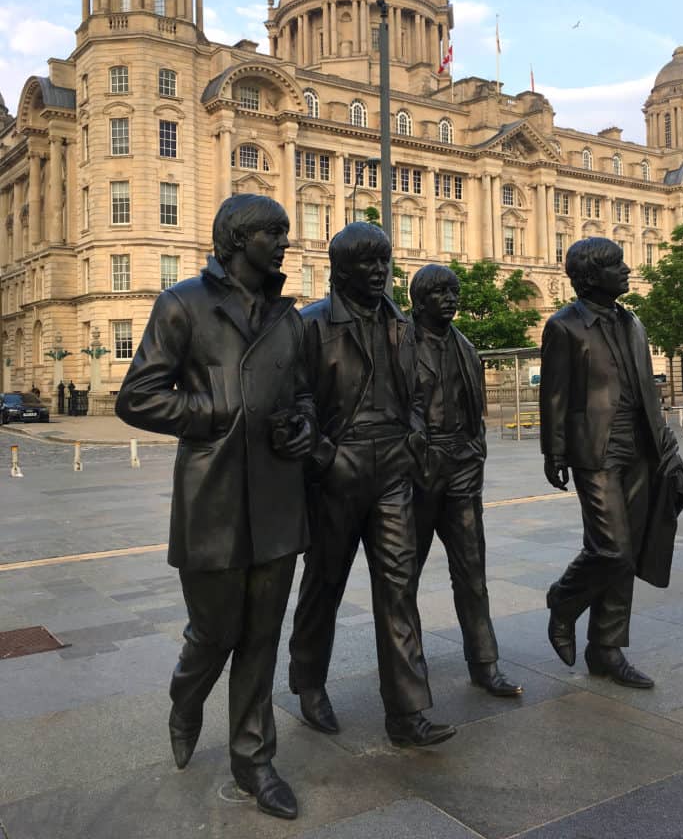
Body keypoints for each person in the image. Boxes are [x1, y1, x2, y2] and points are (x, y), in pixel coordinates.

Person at [115, 194, 314, 820]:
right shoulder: (183, 304)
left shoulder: (290, 316)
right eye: (272, 233)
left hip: (279, 498)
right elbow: (137, 397)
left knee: (261, 636)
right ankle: (186, 693)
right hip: (215, 496)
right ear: (236, 238)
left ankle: (255, 760)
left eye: (285, 232)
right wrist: (213, 412)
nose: (285, 242)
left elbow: (303, 393)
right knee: (214, 632)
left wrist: (303, 424)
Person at [288, 222, 455, 748]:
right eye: (368, 262)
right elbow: (295, 406)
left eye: (384, 261)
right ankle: (308, 681)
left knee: (399, 590)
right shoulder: (310, 326)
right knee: (325, 583)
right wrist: (325, 459)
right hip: (338, 472)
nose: (380, 271)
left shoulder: (402, 326)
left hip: (393, 473)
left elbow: (418, 396)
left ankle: (407, 713)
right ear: (340, 269)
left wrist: (415, 438)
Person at [540, 237, 683, 688]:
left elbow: (650, 393)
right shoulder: (564, 326)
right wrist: (554, 450)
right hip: (595, 449)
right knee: (612, 548)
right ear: (590, 276)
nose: (626, 271)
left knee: (628, 553)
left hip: (641, 449)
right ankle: (564, 601)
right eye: (615, 265)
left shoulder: (634, 323)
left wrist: (668, 450)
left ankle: (606, 649)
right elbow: (555, 395)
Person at [410, 264, 522, 697]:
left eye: (454, 291)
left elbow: (475, 411)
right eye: (441, 292)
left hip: (462, 470)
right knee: (405, 578)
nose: (451, 298)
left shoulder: (466, 347)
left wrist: (475, 452)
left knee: (472, 573)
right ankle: (409, 663)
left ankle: (484, 662)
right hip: (418, 475)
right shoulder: (398, 343)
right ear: (420, 300)